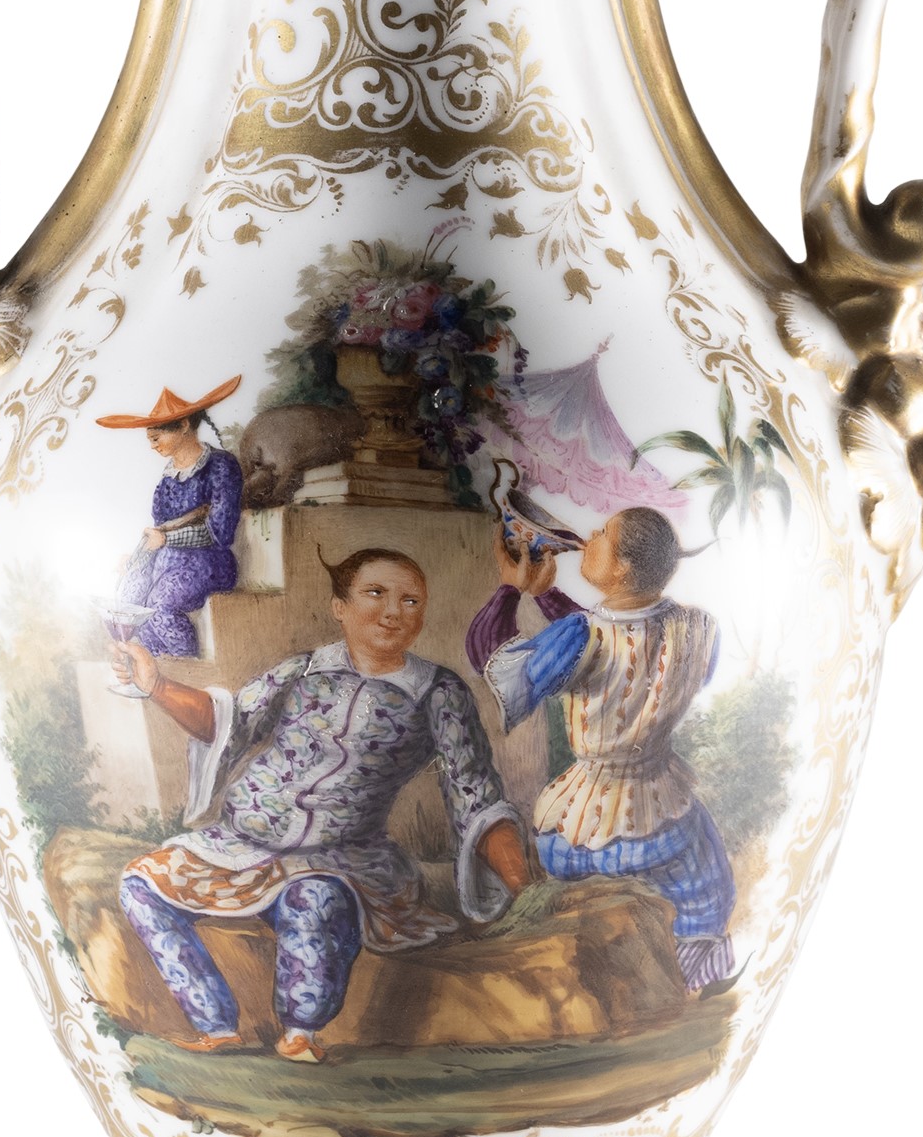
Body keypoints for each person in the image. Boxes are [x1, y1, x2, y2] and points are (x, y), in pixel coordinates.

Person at [113, 548, 532, 1061]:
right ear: (340, 606)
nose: (393, 612)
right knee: (139, 883)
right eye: (375, 594)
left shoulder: (436, 692)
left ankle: (300, 1034)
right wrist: (154, 684)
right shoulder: (304, 670)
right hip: (239, 847)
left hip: (344, 861)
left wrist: (524, 889)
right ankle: (216, 1025)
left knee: (311, 899)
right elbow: (230, 725)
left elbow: (474, 792)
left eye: (410, 601)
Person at [467, 506, 737, 990]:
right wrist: (547, 594)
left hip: (585, 829)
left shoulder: (581, 636)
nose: (590, 534)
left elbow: (499, 667)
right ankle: (694, 982)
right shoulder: (696, 629)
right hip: (667, 813)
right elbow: (622, 639)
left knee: (580, 929)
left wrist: (510, 587)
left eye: (604, 533)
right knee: (702, 903)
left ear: (623, 568)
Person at [95, 377, 246, 657]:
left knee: (159, 606)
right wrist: (135, 560)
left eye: (156, 438)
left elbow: (221, 532)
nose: (152, 446)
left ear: (184, 425)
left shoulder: (220, 465)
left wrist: (166, 540)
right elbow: (157, 534)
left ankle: (188, 668)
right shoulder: (166, 481)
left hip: (209, 563)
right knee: (130, 603)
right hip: (164, 563)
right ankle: (159, 670)